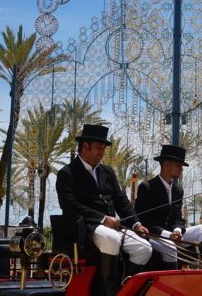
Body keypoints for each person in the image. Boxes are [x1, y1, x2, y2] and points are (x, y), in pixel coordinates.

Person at [56, 124, 152, 296]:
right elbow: (69, 205)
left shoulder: (107, 171)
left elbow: (121, 201)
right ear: (85, 147)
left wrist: (136, 224)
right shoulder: (67, 173)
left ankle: (126, 287)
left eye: (103, 149)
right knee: (113, 238)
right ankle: (110, 290)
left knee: (144, 248)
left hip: (112, 226)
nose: (102, 152)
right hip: (86, 227)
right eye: (99, 148)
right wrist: (102, 218)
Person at [134, 144, 202, 269]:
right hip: (153, 236)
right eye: (178, 166)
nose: (181, 169)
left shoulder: (178, 190)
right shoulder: (147, 187)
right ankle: (171, 280)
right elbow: (144, 220)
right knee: (170, 246)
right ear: (166, 164)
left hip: (173, 234)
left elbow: (178, 217)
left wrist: (177, 230)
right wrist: (169, 235)